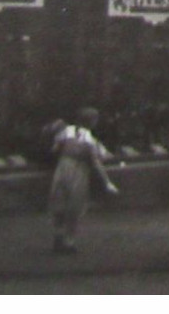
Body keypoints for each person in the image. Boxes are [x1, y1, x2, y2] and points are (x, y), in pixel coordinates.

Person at [47, 107, 118, 253]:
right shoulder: (89, 140)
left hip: (63, 166)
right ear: (92, 122)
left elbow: (54, 149)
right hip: (78, 170)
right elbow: (96, 162)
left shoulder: (67, 132)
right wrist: (107, 182)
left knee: (60, 201)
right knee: (74, 204)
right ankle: (68, 241)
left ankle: (59, 236)